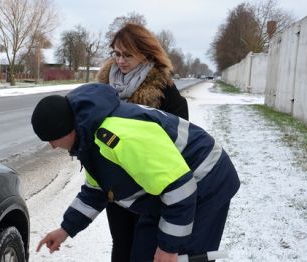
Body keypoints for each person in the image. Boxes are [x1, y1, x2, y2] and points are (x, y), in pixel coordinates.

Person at [32, 83, 240, 262]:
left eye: (52, 140)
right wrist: (65, 230)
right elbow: (96, 191)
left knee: (177, 255)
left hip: (206, 181)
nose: (52, 146)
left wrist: (169, 247)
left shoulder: (117, 137)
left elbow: (180, 190)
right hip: (165, 193)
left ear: (68, 130)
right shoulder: (89, 140)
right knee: (143, 255)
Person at [96, 23, 189, 261]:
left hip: (150, 187)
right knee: (120, 244)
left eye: (128, 55)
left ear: (145, 54)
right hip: (115, 183)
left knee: (143, 249)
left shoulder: (162, 86)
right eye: (117, 53)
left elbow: (179, 132)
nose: (121, 61)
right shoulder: (104, 85)